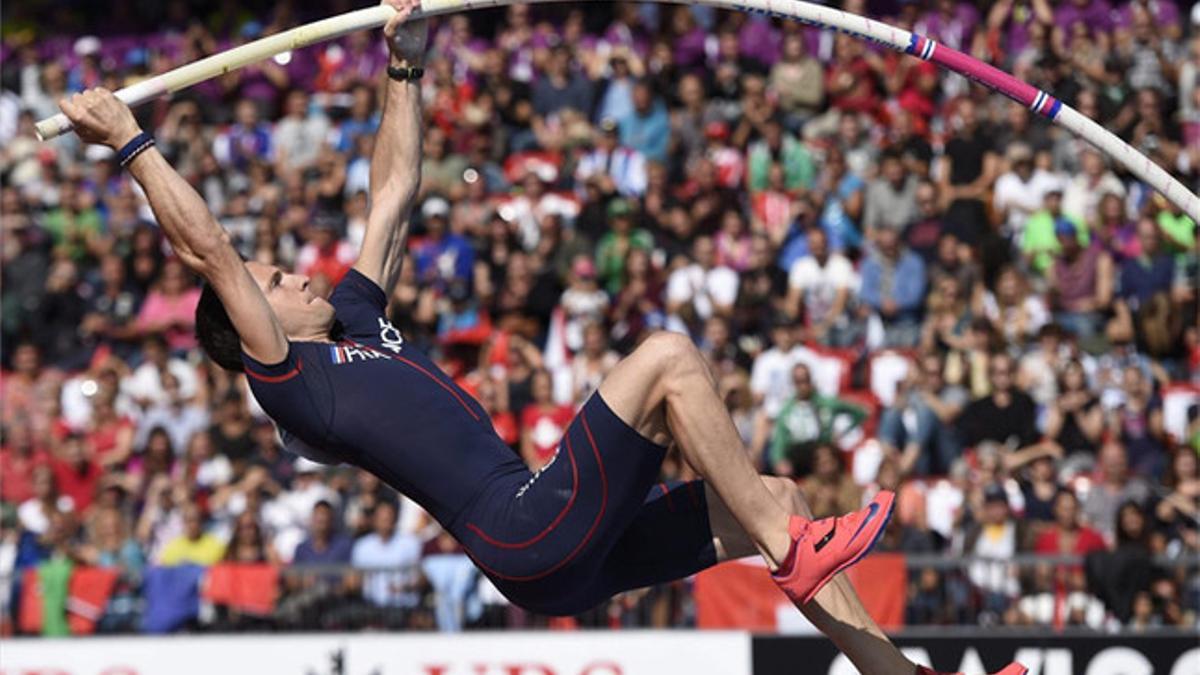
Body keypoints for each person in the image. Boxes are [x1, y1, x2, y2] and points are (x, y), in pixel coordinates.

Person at [57, 5, 1024, 673]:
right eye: (276, 283)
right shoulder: (293, 382)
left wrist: (405, 60)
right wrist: (134, 146)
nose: (296, 273)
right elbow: (213, 251)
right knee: (668, 356)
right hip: (522, 529)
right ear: (254, 325)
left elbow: (391, 192)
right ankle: (795, 549)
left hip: (553, 544)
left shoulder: (353, 319)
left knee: (772, 495)